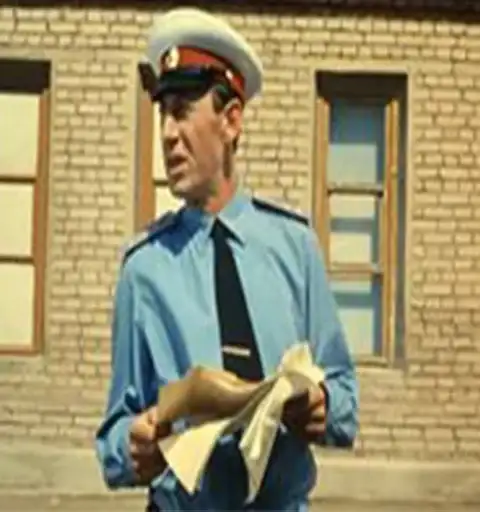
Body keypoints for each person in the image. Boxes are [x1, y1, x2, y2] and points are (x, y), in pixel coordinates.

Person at [95, 7, 359, 511]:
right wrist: (133, 446)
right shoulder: (143, 270)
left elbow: (344, 393)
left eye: (181, 111)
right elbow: (114, 436)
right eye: (162, 113)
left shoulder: (295, 247)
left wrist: (322, 406)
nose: (167, 133)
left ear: (231, 120)